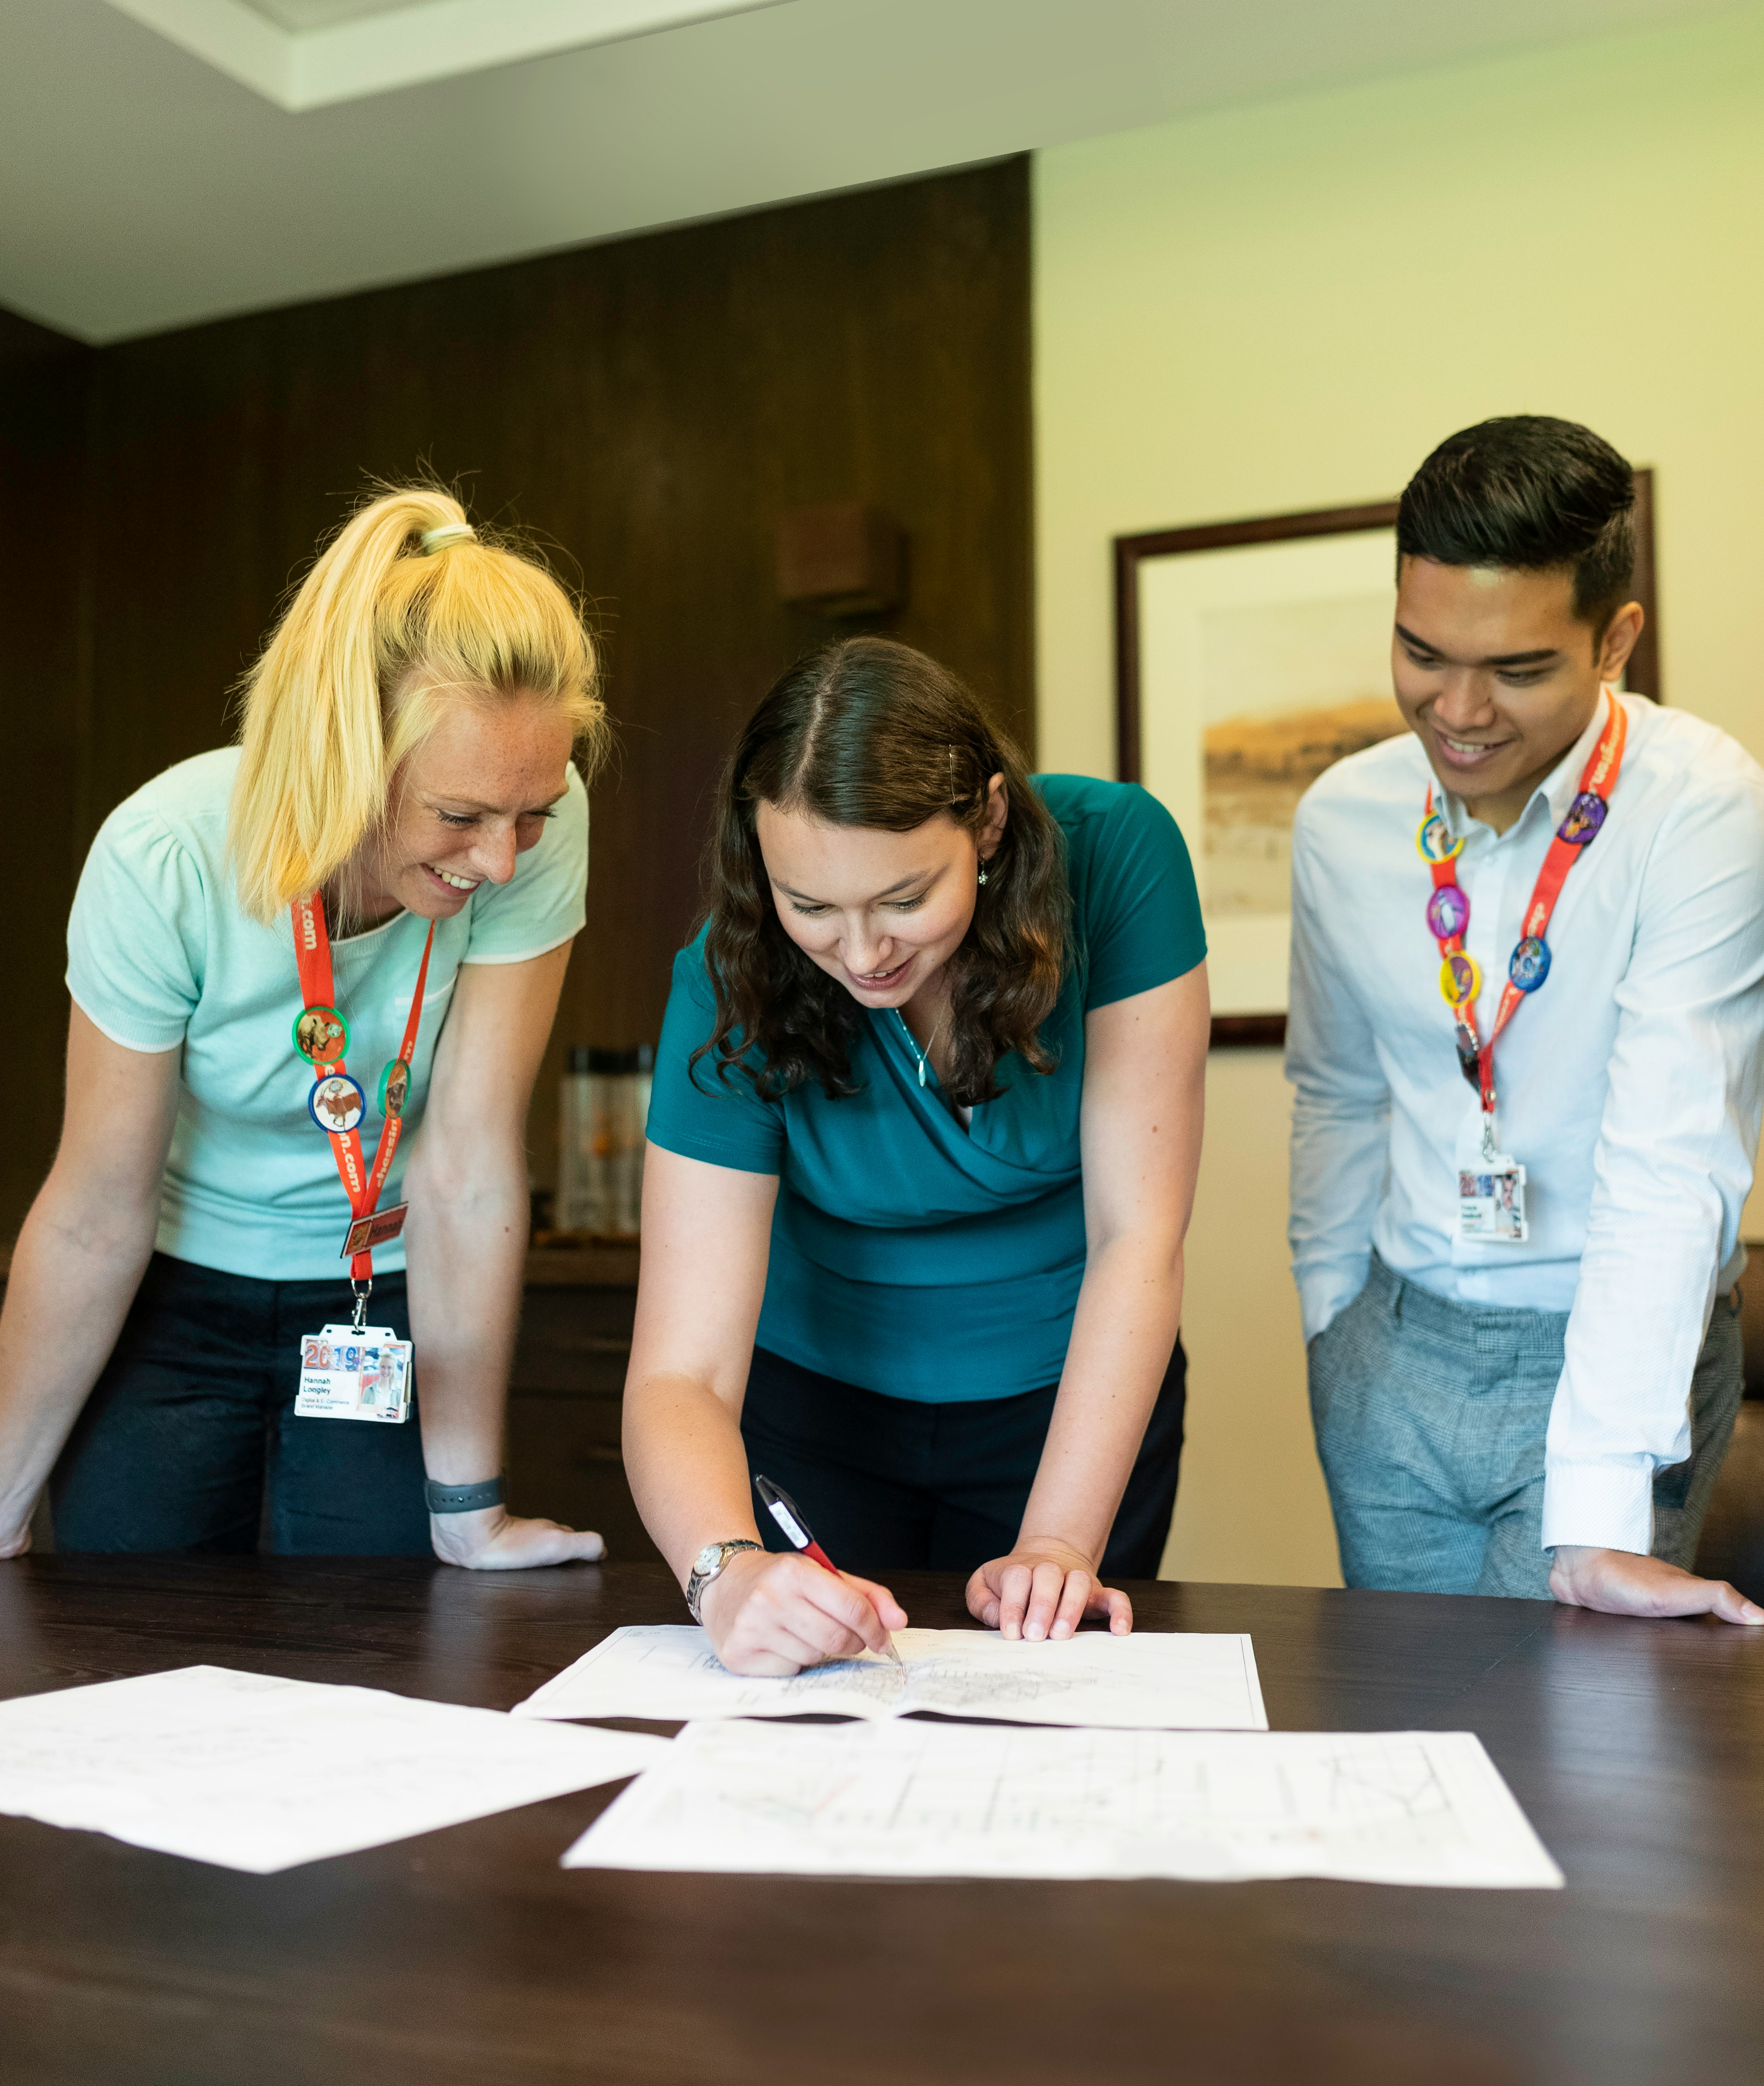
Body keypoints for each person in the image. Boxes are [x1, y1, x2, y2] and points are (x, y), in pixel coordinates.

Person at [0, 486, 609, 1568]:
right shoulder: (166, 857)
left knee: (378, 1613)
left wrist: (471, 1507)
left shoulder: (527, 827)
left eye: (534, 814)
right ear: (343, 754)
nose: (504, 861)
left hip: (379, 1289)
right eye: (459, 819)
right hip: (172, 1282)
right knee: (128, 1604)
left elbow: (467, 1166)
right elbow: (97, 1207)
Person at [622, 637, 1209, 1676]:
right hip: (819, 1413)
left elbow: (1139, 1236)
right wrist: (725, 1574)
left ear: (987, 819)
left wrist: (1060, 1541)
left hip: (1071, 1396)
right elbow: (682, 1368)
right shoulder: (730, 972)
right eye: (812, 907)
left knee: (1046, 1718)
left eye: (903, 900)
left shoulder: (1117, 855)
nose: (861, 953)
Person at [1288, 415, 1764, 1623]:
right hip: (1394, 1345)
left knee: (1566, 1755)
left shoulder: (1701, 810)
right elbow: (1338, 1091)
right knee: (1408, 1742)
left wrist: (1602, 1502)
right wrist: (1335, 1328)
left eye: (1516, 669)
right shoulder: (1344, 819)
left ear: (1616, 640)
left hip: (1609, 1354)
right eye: (1421, 652)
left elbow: (1671, 1150)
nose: (1458, 710)